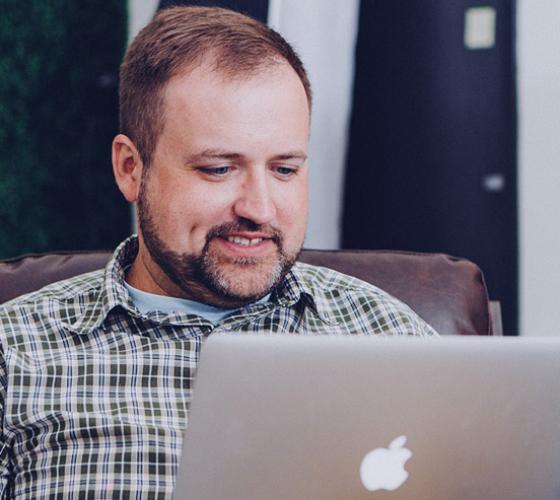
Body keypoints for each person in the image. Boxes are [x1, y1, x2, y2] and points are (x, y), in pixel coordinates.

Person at [0, 6, 436, 497]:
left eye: (284, 169)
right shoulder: (15, 354)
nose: (259, 207)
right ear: (130, 168)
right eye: (219, 169)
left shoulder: (391, 335)